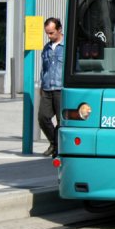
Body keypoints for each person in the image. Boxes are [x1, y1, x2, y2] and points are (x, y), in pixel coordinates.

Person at [39, 17, 64, 157]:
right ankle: (54, 143)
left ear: (59, 29)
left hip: (61, 89)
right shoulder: (47, 48)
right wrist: (41, 85)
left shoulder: (67, 46)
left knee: (61, 121)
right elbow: (44, 68)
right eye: (47, 33)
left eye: (51, 33)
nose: (49, 36)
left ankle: (57, 147)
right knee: (42, 117)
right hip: (48, 88)